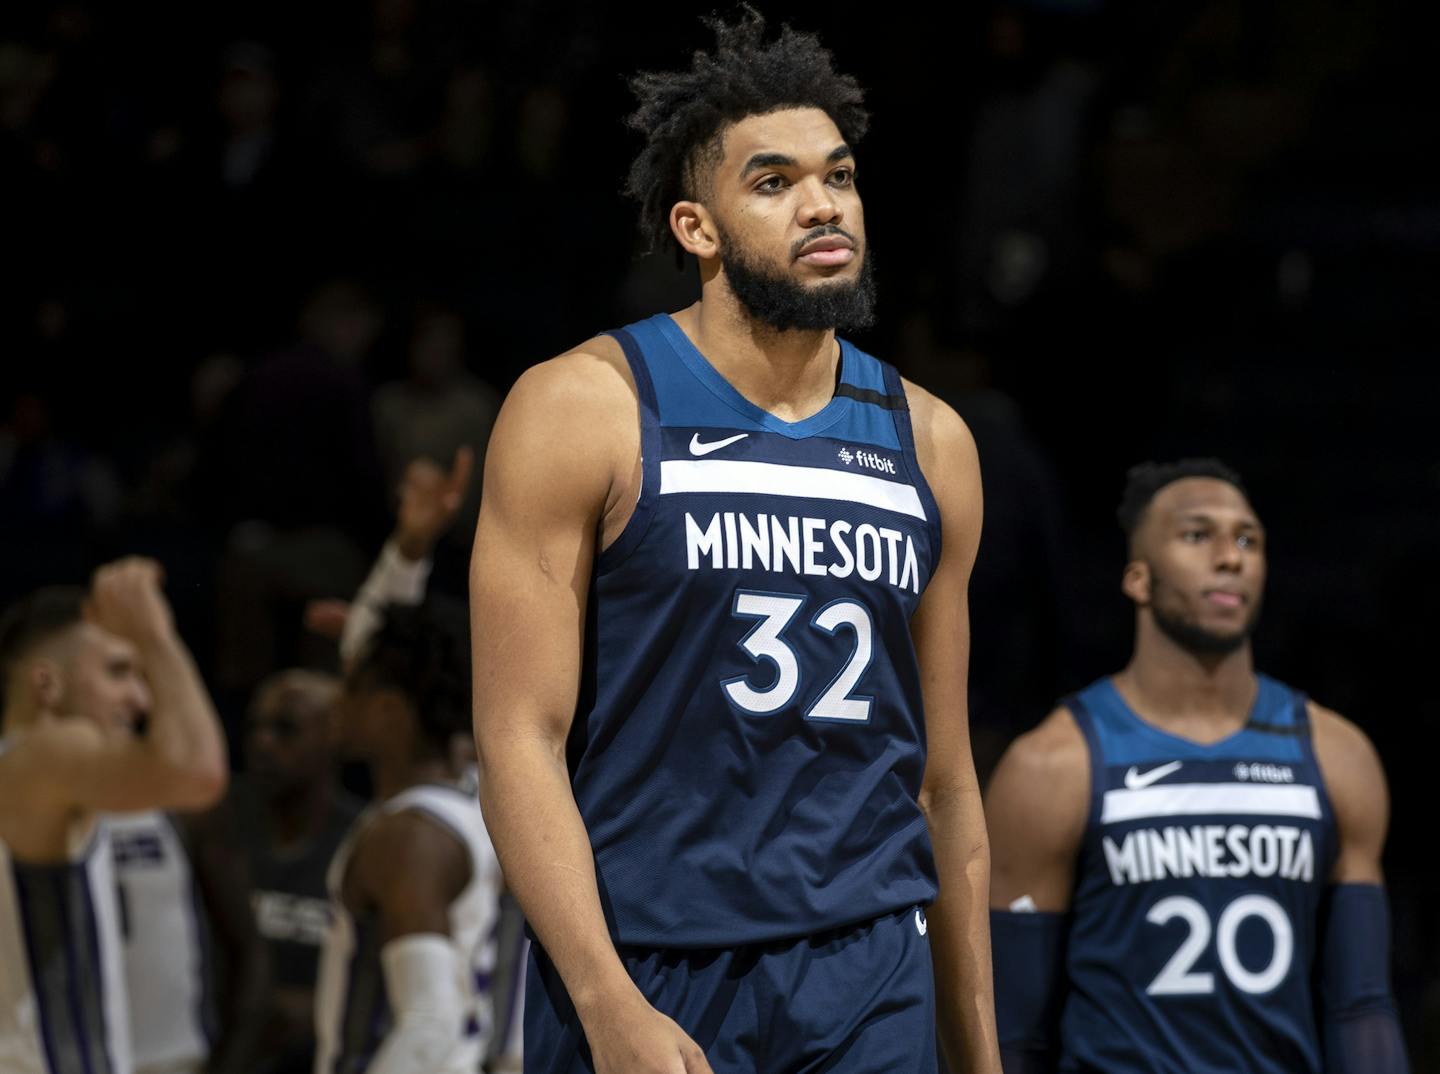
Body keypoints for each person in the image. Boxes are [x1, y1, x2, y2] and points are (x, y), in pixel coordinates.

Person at [469, 10, 998, 1074]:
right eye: (773, 182)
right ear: (695, 230)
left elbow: (944, 783)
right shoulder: (585, 407)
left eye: (838, 176)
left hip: (869, 972)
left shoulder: (932, 441)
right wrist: (603, 999)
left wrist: (978, 1053)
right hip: (650, 962)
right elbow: (517, 740)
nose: (823, 204)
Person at [985, 459, 1408, 1074]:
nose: (1230, 557)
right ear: (1137, 578)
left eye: (1247, 539)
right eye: (1196, 535)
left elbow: (1360, 1006)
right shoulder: (1052, 765)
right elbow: (1013, 1033)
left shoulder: (1337, 755)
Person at [0, 558, 229, 1074]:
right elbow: (196, 773)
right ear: (47, 686)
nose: (142, 699)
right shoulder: (43, 755)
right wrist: (154, 637)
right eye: (118, 672)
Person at [313, 601, 502, 1074]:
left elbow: (430, 1023)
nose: (337, 699)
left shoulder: (408, 836)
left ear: (389, 710)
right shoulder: (477, 805)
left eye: (353, 686)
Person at [228, 670, 363, 1074]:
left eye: (285, 729)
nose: (262, 742)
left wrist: (315, 1009)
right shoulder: (224, 826)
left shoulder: (364, 838)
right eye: (256, 727)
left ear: (334, 734)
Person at [109, 803, 266, 1074]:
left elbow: (247, 948)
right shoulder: (40, 796)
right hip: (69, 1053)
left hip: (177, 1058)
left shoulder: (188, 805)